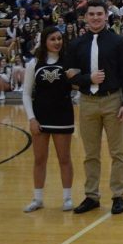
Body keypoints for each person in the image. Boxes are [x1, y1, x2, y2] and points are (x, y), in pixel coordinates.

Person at [65, 0, 123, 215]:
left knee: (118, 152)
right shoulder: (76, 44)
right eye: (91, 14)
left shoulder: (118, 42)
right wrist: (89, 79)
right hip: (87, 102)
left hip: (113, 100)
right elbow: (70, 76)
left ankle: (118, 196)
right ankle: (91, 196)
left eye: (99, 14)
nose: (95, 17)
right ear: (85, 17)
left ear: (106, 16)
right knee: (90, 153)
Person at [22, 26, 75, 213]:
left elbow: (78, 86)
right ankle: (38, 199)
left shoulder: (69, 61)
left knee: (64, 158)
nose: (57, 42)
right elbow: (26, 94)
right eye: (52, 39)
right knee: (39, 159)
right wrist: (31, 118)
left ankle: (67, 198)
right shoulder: (33, 63)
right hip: (41, 117)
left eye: (59, 38)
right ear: (45, 41)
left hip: (63, 115)